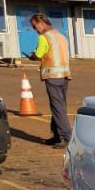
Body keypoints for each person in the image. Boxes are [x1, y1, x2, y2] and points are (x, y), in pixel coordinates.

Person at [26, 13, 71, 145]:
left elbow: (39, 54)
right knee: (59, 106)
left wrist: (33, 56)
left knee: (58, 108)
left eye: (35, 27)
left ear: (41, 23)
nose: (35, 30)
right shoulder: (60, 36)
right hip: (65, 75)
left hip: (52, 76)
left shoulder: (43, 37)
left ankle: (67, 137)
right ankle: (57, 135)